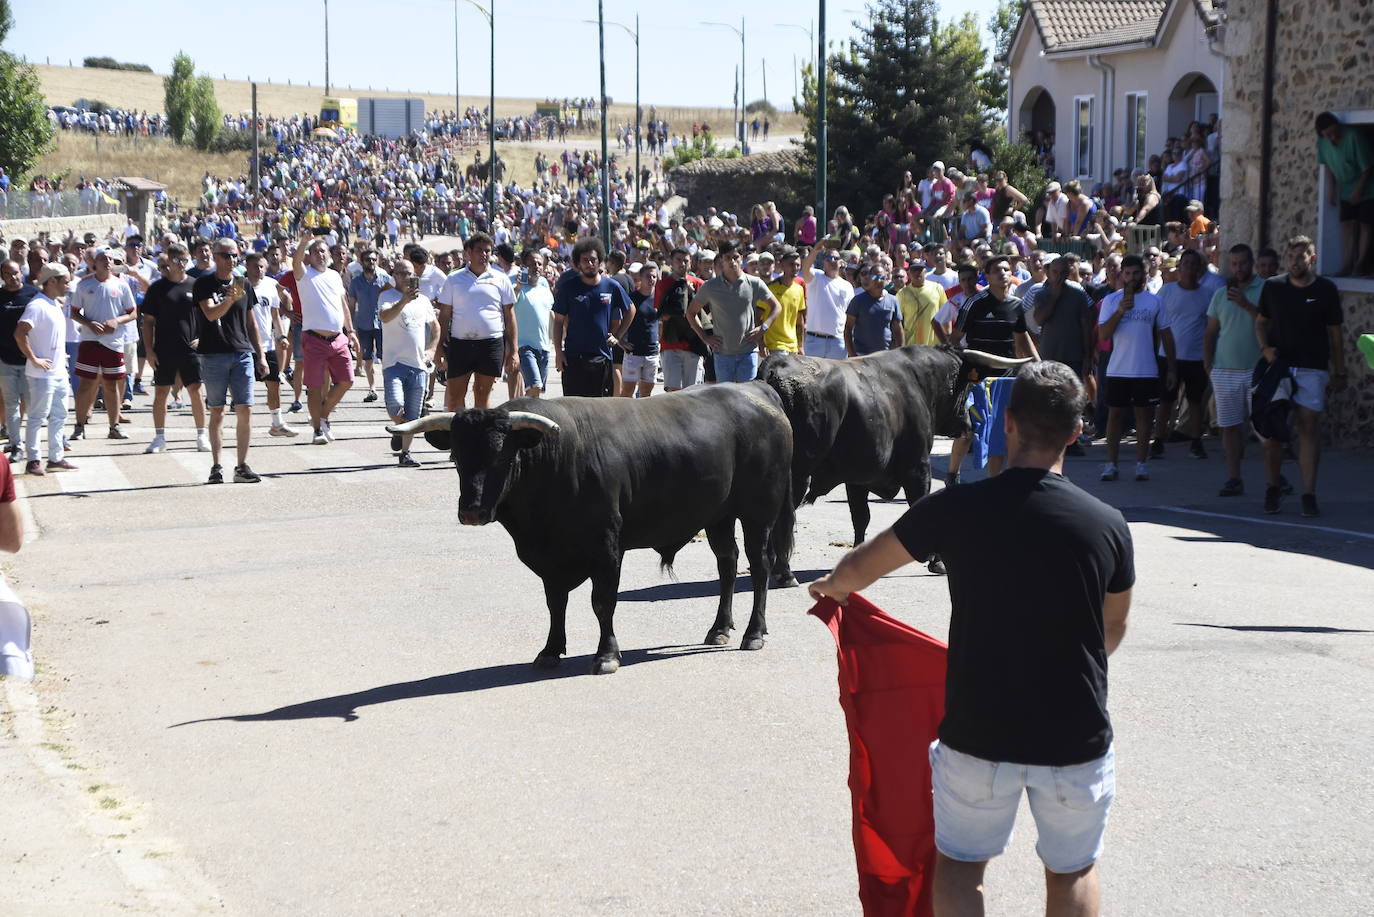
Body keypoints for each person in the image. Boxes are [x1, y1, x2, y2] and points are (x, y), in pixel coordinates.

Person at [808, 361, 1133, 917]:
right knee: (1072, 870)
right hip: (1073, 728)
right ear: (1077, 431)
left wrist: (832, 587)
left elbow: (862, 567)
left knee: (960, 866)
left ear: (1006, 423)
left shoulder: (955, 508)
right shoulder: (1106, 524)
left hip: (979, 728)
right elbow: (1113, 627)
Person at [1255, 235, 1347, 516]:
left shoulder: (1326, 289)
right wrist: (1265, 348)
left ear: (1312, 258)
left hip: (1312, 367)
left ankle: (1309, 493)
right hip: (1279, 367)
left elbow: (1335, 334)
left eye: (1300, 257)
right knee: (1273, 433)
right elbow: (1261, 323)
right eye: (1291, 257)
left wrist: (1340, 370)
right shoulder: (1273, 287)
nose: (1295, 262)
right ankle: (1273, 486)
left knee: (1308, 427)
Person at [947, 256, 1040, 480]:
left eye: (1006, 270)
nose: (1002, 274)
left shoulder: (1016, 305)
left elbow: (1021, 337)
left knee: (999, 434)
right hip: (975, 376)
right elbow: (955, 338)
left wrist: (1039, 363)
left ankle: (993, 482)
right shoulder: (975, 303)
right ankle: (952, 473)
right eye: (996, 270)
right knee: (968, 431)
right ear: (986, 276)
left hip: (1005, 378)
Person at [193, 240, 269, 484]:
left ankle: (241, 466)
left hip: (242, 352)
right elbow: (210, 313)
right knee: (217, 410)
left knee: (245, 408)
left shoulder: (243, 283)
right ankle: (216, 466)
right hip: (213, 353)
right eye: (226, 255)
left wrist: (262, 355)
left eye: (234, 255)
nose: (231, 260)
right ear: (215, 257)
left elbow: (251, 322)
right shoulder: (204, 283)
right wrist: (229, 299)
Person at [1098, 254, 1176, 483]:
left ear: (1144, 274)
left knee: (1144, 418)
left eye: (1136, 273)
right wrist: (1121, 311)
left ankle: (1141, 464)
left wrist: (1171, 368)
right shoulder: (1112, 301)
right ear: (1122, 274)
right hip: (1117, 368)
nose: (1132, 278)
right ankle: (1111, 464)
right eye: (1128, 273)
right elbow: (1103, 335)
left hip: (1146, 368)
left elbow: (1167, 336)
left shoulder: (1155, 301)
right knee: (1115, 417)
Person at [1203, 244, 1265, 497]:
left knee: (1265, 428)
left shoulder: (1266, 290)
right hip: (1224, 369)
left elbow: (1272, 323)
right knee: (1229, 426)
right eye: (1234, 264)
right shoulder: (1220, 295)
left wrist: (1247, 305)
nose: (1238, 269)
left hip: (1257, 369)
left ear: (1252, 263)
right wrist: (1208, 364)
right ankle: (1234, 478)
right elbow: (1210, 333)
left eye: (1243, 263)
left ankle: (1275, 477)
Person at [140, 243, 209, 454]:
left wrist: (202, 339)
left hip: (191, 349)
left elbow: (207, 316)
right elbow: (148, 321)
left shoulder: (196, 285)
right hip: (164, 348)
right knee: (161, 392)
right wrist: (150, 351)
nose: (181, 265)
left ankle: (201, 436)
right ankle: (159, 437)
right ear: (168, 261)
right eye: (177, 260)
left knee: (195, 391)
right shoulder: (157, 289)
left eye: (184, 260)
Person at [437, 232, 518, 410]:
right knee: (454, 397)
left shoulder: (500, 278)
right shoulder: (453, 279)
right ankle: (458, 436)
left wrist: (513, 350)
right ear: (468, 253)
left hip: (491, 344)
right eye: (479, 250)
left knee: (482, 395)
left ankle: (480, 437)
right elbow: (443, 316)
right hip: (460, 344)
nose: (484, 254)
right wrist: (437, 347)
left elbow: (510, 316)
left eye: (487, 251)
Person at [293, 234, 360, 444]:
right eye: (316, 252)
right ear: (309, 256)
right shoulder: (304, 274)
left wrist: (351, 332)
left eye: (323, 251)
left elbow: (343, 306)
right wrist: (304, 243)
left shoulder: (334, 276)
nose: (320, 255)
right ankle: (317, 430)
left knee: (347, 381)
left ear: (328, 255)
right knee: (314, 386)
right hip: (314, 339)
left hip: (338, 338)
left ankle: (322, 415)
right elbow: (295, 262)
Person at [14, 263, 77, 475]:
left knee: (59, 415)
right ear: (52, 281)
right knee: (37, 417)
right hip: (42, 375)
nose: (68, 285)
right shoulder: (37, 305)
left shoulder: (53, 303)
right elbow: (19, 333)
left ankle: (56, 457)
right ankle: (33, 460)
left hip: (59, 371)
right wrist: (34, 359)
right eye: (65, 281)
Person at [688, 242, 781, 383]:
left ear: (741, 258)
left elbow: (776, 307)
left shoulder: (755, 283)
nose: (732, 261)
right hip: (722, 354)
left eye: (735, 257)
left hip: (749, 352)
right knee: (726, 401)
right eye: (728, 258)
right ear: (721, 261)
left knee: (749, 399)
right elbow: (690, 313)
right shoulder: (710, 287)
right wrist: (705, 337)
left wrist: (763, 328)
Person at [1151, 250, 1214, 460]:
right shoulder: (1166, 291)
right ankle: (1158, 441)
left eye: (1193, 264)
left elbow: (1211, 327)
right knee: (1166, 401)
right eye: (1185, 263)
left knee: (1195, 401)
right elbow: (1156, 323)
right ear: (1179, 267)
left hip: (1196, 357)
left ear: (1199, 269)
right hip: (1168, 356)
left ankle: (1196, 441)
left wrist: (1209, 357)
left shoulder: (1207, 295)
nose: (1188, 268)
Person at [69, 248, 138, 441]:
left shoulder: (121, 284)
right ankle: (79, 426)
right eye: (102, 258)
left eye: (110, 259)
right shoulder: (84, 285)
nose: (107, 262)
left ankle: (114, 426)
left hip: (113, 342)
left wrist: (117, 321)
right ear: (95, 262)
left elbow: (132, 312)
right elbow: (74, 312)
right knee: (86, 385)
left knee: (112, 385)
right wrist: (89, 323)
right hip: (90, 341)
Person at [553, 237, 634, 397]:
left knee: (600, 409)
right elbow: (558, 321)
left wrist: (617, 336)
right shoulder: (568, 287)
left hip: (602, 358)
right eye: (585, 260)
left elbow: (631, 310)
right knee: (574, 409)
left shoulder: (611, 286)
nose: (589, 264)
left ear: (600, 261)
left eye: (593, 260)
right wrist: (558, 352)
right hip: (573, 358)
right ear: (578, 263)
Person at [377, 258, 439, 468]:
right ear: (394, 275)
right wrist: (403, 300)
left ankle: (406, 453)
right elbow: (385, 317)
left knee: (413, 415)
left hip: (418, 365)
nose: (406, 277)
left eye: (410, 274)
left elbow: (435, 327)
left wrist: (431, 350)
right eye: (401, 273)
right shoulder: (387, 296)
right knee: (395, 405)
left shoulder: (423, 301)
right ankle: (400, 429)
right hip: (394, 363)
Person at [244, 253, 298, 438]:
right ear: (247, 266)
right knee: (244, 389)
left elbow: (275, 315)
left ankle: (277, 423)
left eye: (261, 266)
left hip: (267, 345)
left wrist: (281, 335)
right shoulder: (239, 285)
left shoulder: (269, 285)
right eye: (254, 266)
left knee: (274, 384)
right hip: (245, 346)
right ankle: (244, 427)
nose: (258, 270)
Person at [1315, 111, 1374, 277]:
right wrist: (1332, 190)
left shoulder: (1353, 137)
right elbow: (1327, 165)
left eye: (1334, 132)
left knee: (1365, 224)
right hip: (1346, 189)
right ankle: (1347, 263)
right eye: (1328, 135)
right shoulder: (1323, 143)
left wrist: (1359, 191)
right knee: (1347, 224)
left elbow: (1368, 167)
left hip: (1368, 188)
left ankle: (1361, 263)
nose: (1332, 137)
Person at [0, 260, 38, 458]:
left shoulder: (33, 294)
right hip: (5, 360)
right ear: (2, 275)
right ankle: (16, 444)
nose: (12, 277)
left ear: (21, 272)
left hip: (30, 359)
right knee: (10, 403)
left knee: (32, 403)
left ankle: (32, 444)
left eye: (15, 273)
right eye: (7, 274)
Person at [346, 248, 392, 402]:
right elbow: (351, 305)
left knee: (386, 357)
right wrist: (350, 327)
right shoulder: (355, 281)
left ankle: (389, 388)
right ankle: (372, 388)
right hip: (363, 324)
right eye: (367, 260)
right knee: (367, 358)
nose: (371, 262)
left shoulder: (386, 279)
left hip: (383, 324)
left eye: (373, 259)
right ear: (361, 261)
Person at [655, 247, 705, 390]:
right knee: (672, 391)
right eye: (678, 260)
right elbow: (661, 315)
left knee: (693, 392)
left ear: (691, 263)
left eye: (686, 261)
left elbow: (708, 314)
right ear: (671, 261)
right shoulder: (663, 285)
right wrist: (678, 299)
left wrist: (692, 297)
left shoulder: (698, 284)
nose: (682, 263)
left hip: (694, 345)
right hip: (670, 344)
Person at [800, 242, 854, 359]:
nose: (833, 260)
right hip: (814, 341)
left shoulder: (847, 286)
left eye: (836, 258)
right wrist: (815, 251)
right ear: (824, 262)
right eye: (829, 258)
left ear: (841, 262)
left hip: (838, 342)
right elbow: (805, 269)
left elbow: (850, 315)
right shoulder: (816, 277)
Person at [514, 250, 554, 397]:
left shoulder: (545, 290)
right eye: (532, 263)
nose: (536, 266)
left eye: (539, 263)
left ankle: (523, 415)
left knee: (535, 393)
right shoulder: (517, 288)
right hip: (524, 347)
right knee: (535, 386)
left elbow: (552, 316)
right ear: (524, 265)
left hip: (544, 348)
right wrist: (518, 287)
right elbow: (508, 308)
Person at [620, 262, 661, 397]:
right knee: (627, 391)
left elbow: (662, 323)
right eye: (648, 276)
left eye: (654, 277)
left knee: (646, 392)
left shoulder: (659, 299)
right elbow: (616, 320)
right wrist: (620, 341)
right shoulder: (631, 298)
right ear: (641, 278)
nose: (651, 280)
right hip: (633, 353)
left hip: (652, 353)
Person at [845, 264, 903, 357]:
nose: (878, 281)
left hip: (885, 356)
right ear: (869, 278)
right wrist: (852, 354)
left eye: (882, 277)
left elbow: (898, 330)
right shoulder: (858, 300)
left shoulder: (893, 301)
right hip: (861, 356)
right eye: (875, 277)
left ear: (886, 279)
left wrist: (900, 354)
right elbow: (848, 329)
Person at [762, 247, 807, 355]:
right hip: (774, 346)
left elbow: (799, 320)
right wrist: (761, 343)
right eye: (791, 264)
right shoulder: (770, 288)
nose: (795, 268)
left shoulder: (799, 289)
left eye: (798, 265)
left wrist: (800, 345)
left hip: (793, 347)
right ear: (782, 266)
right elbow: (758, 316)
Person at [896, 259, 946, 347]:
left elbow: (945, 315)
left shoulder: (937, 288)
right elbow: (897, 321)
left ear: (925, 271)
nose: (917, 273)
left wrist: (946, 339)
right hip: (912, 347)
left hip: (934, 345)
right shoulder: (902, 293)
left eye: (919, 270)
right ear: (908, 273)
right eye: (914, 270)